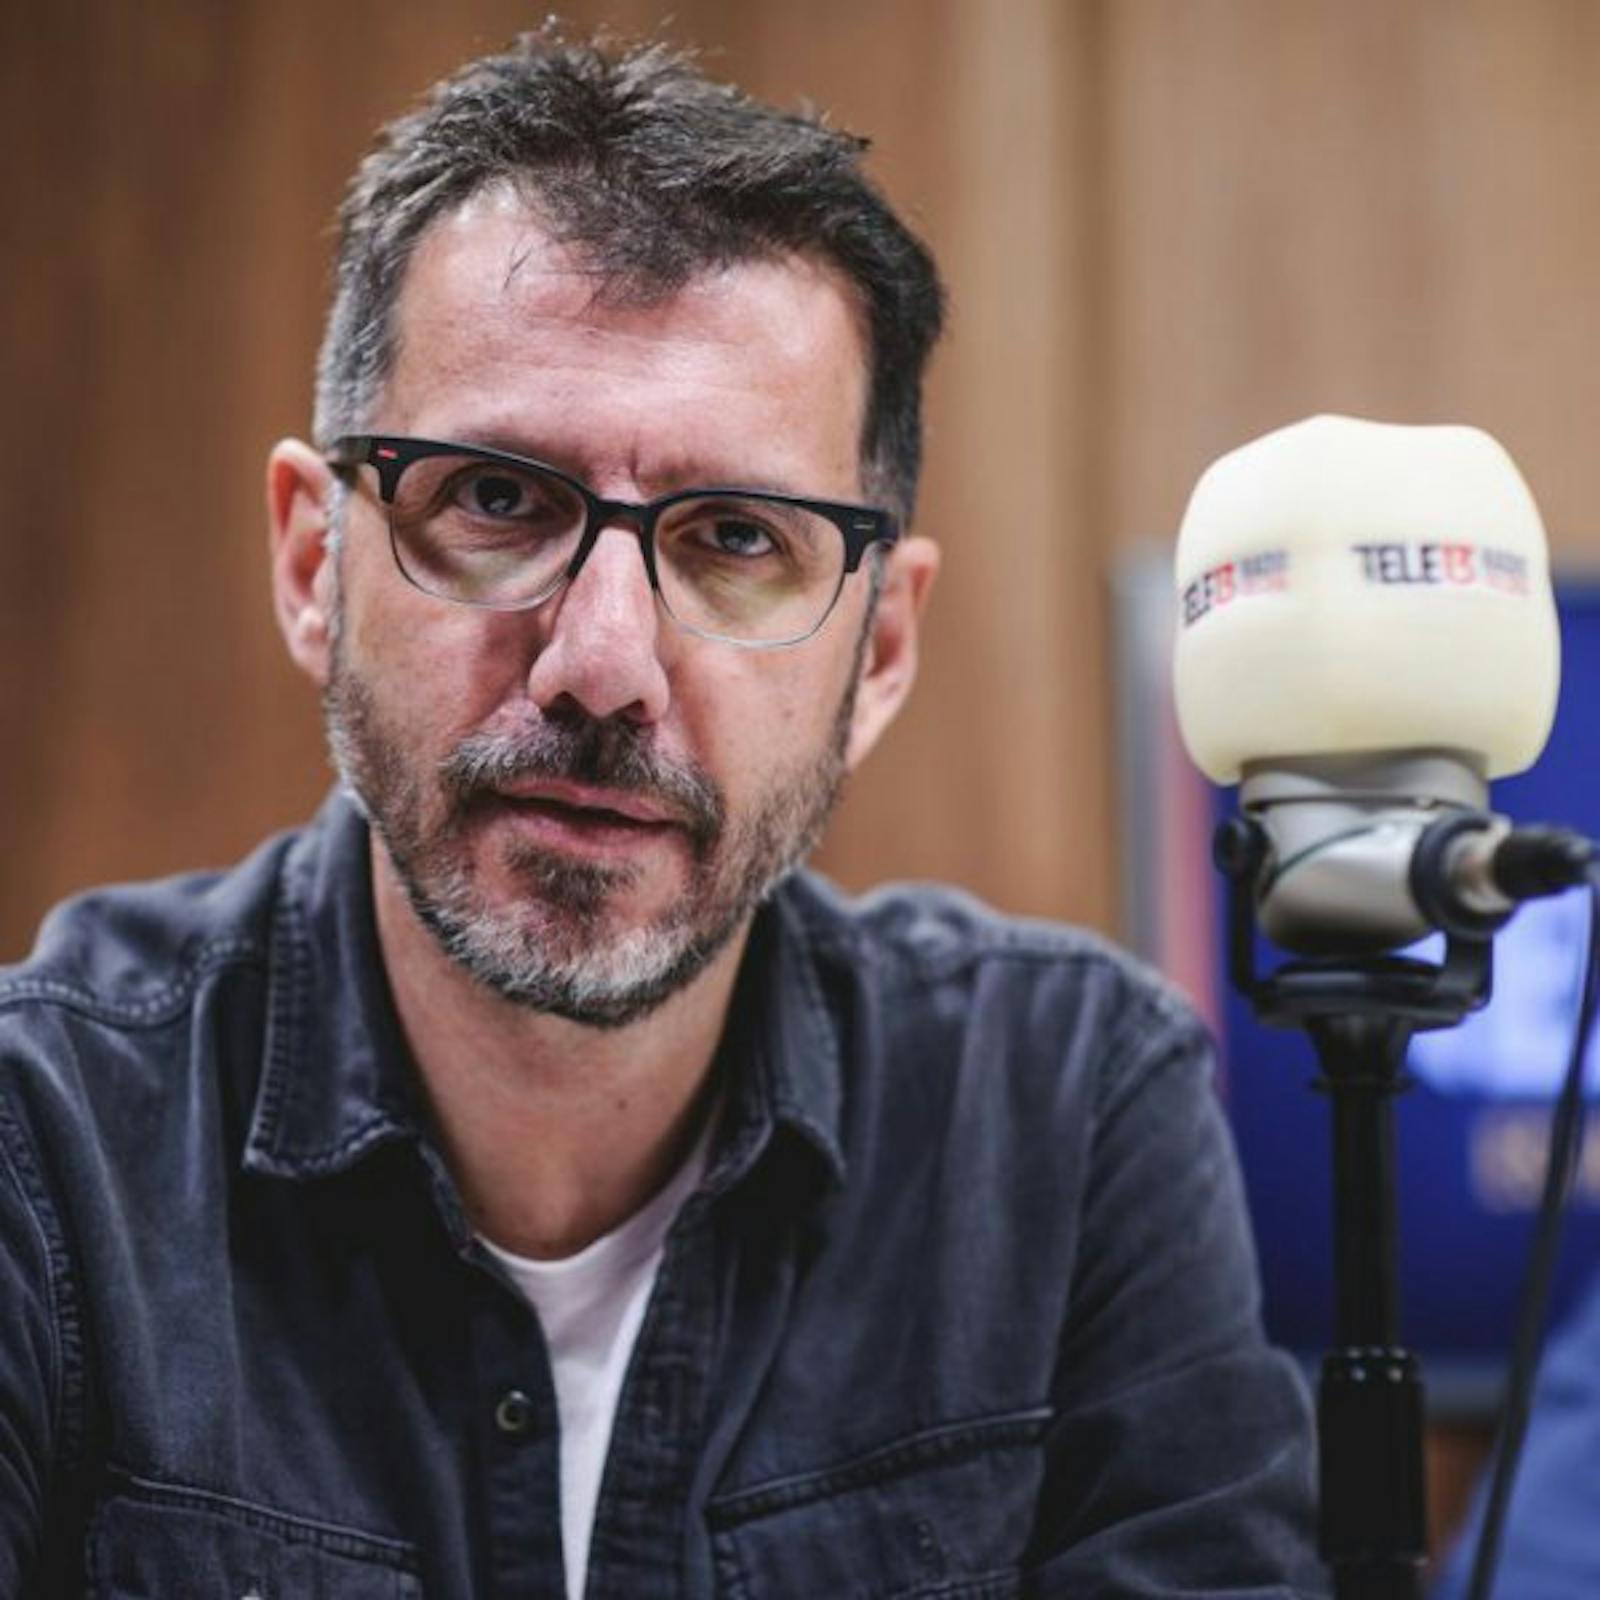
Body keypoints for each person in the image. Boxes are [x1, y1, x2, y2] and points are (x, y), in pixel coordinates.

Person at [0, 29, 1325, 1598]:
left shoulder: (1067, 1116)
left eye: (736, 536)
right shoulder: (45, 1146)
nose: (604, 664)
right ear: (314, 564)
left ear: (879, 651)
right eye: (496, 498)